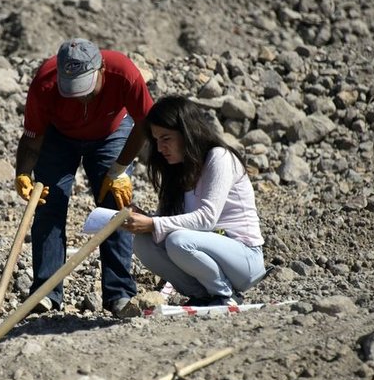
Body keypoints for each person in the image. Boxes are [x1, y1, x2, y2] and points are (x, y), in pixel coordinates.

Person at [14, 38, 153, 317]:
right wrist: (23, 174)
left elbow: (146, 123)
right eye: (73, 91)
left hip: (110, 132)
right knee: (48, 206)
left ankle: (119, 295)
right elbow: (32, 137)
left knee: (115, 206)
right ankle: (46, 295)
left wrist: (119, 169)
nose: (80, 98)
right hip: (58, 137)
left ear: (101, 70)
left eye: (86, 90)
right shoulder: (45, 83)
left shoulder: (123, 72)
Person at [122, 95, 266, 307]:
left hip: (244, 259)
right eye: (156, 140)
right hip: (207, 253)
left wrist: (153, 223)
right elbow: (170, 221)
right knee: (143, 242)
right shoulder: (177, 170)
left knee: (178, 241)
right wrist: (144, 218)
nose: (160, 148)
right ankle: (202, 294)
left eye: (166, 138)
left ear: (187, 133)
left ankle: (224, 295)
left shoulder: (219, 158)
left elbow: (207, 219)